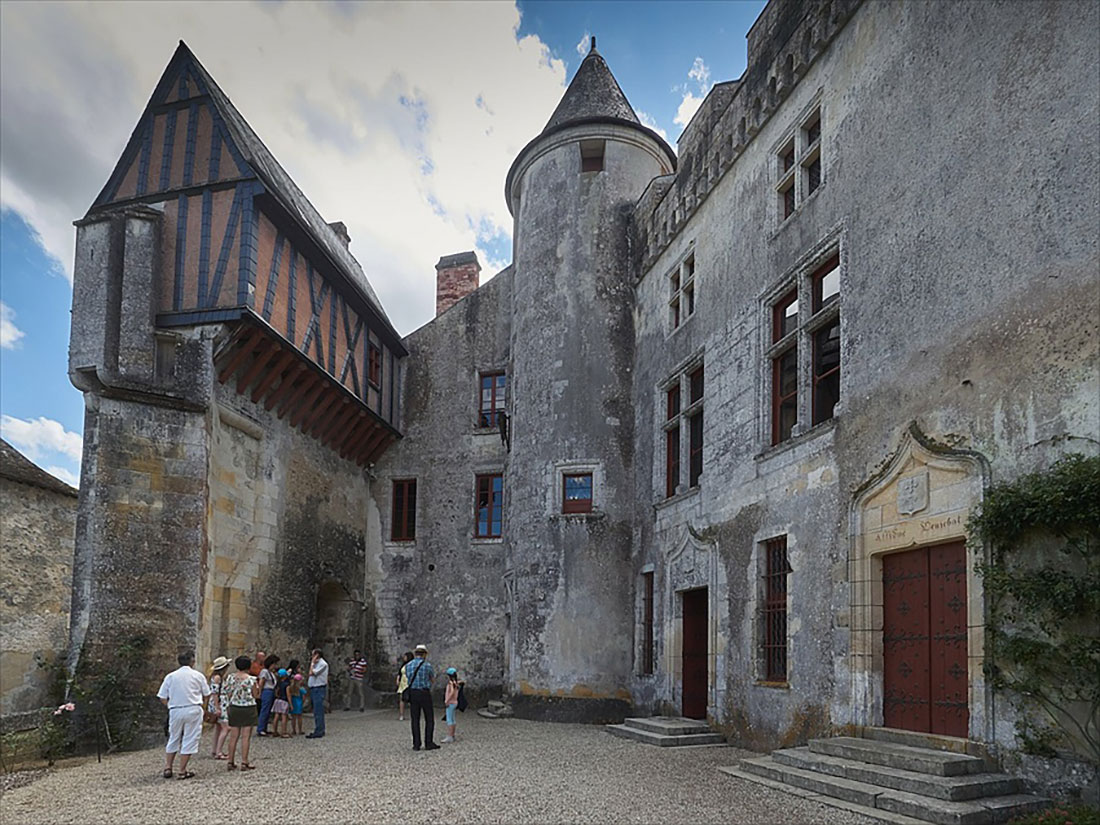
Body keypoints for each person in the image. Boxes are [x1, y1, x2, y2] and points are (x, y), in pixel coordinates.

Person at [156, 651, 211, 779]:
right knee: (190, 738)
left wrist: (171, 706)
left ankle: (168, 767)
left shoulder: (171, 676)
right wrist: (203, 707)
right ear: (192, 661)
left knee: (173, 737)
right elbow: (206, 693)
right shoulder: (198, 675)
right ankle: (182, 770)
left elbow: (162, 696)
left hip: (175, 709)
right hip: (193, 708)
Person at [223, 655, 260, 771]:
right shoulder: (251, 679)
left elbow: (227, 692)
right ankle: (244, 761)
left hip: (234, 707)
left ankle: (230, 761)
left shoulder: (230, 678)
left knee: (233, 736)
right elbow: (256, 695)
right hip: (248, 707)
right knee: (245, 736)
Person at [405, 644, 438, 751]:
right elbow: (432, 680)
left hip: (413, 693)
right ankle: (428, 742)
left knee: (415, 719)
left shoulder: (408, 665)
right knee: (429, 718)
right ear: (424, 654)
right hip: (424, 692)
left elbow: (408, 679)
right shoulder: (427, 665)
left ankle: (416, 744)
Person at [208, 655, 232, 759]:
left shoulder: (217, 677)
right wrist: (218, 708)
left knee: (218, 728)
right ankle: (219, 752)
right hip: (219, 704)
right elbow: (214, 693)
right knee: (226, 728)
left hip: (218, 703)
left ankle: (215, 750)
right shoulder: (218, 678)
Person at [306, 648, 329, 738]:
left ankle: (319, 730)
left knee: (318, 710)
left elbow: (312, 673)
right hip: (314, 688)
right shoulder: (316, 664)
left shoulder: (323, 664)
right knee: (316, 710)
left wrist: (312, 663)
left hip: (318, 688)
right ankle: (319, 728)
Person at [256, 654, 280, 736]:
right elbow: (261, 682)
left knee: (268, 711)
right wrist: (259, 692)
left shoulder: (271, 672)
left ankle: (264, 727)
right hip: (267, 691)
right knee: (264, 710)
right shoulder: (264, 671)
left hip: (271, 691)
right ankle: (260, 728)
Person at [441, 667, 464, 744]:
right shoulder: (456, 683)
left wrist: (447, 701)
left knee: (449, 720)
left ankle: (450, 736)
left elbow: (451, 692)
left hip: (450, 702)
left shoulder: (451, 683)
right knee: (453, 719)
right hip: (455, 702)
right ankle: (452, 735)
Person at [272, 668, 291, 737]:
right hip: (284, 701)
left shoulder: (278, 683)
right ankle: (283, 732)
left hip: (277, 700)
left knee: (276, 716)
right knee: (284, 717)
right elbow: (288, 695)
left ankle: (274, 731)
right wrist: (290, 704)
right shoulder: (287, 684)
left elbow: (276, 692)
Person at [395, 651, 413, 721]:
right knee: (401, 698)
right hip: (403, 682)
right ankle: (401, 714)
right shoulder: (403, 665)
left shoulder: (412, 665)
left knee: (411, 699)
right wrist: (398, 679)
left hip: (409, 682)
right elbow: (400, 673)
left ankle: (413, 714)